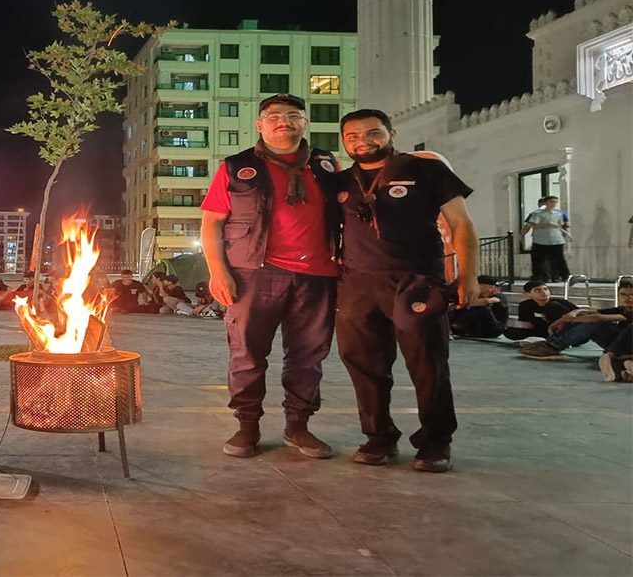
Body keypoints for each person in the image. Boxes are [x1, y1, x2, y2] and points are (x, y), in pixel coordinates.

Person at [334, 108, 479, 473]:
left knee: (427, 363)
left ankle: (435, 441)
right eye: (352, 136)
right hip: (357, 284)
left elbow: (462, 224)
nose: (362, 141)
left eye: (372, 133)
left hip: (416, 281)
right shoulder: (339, 181)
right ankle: (378, 437)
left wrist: (469, 277)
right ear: (344, 142)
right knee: (364, 365)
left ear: (391, 134)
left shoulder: (426, 170)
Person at [200, 94, 343, 460]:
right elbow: (211, 223)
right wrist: (219, 272)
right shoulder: (236, 167)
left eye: (293, 116)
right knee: (247, 354)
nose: (284, 122)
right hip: (253, 274)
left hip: (318, 276)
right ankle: (247, 426)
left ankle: (299, 426)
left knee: (308, 356)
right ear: (259, 124)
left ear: (304, 124)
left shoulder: (327, 165)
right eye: (275, 116)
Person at [523, 280, 633, 361]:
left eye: (632, 295)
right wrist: (572, 313)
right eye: (623, 295)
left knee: (594, 323)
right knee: (585, 317)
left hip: (628, 347)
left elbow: (600, 318)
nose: (628, 298)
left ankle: (554, 345)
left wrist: (565, 321)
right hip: (619, 343)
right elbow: (592, 312)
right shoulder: (623, 308)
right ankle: (550, 343)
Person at [520, 196, 571, 282]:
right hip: (540, 240)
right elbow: (531, 225)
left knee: (559, 259)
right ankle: (537, 277)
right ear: (545, 203)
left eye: (555, 202)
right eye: (551, 202)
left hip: (556, 240)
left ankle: (565, 276)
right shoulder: (537, 214)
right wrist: (521, 235)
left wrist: (566, 233)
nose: (553, 204)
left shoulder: (559, 214)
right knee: (538, 260)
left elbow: (559, 226)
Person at [505, 280, 577, 341]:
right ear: (529, 294)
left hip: (560, 330)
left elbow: (583, 311)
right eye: (538, 290)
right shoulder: (525, 305)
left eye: (545, 289)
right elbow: (527, 324)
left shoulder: (559, 302)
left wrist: (574, 312)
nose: (544, 292)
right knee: (509, 331)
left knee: (551, 305)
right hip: (541, 331)